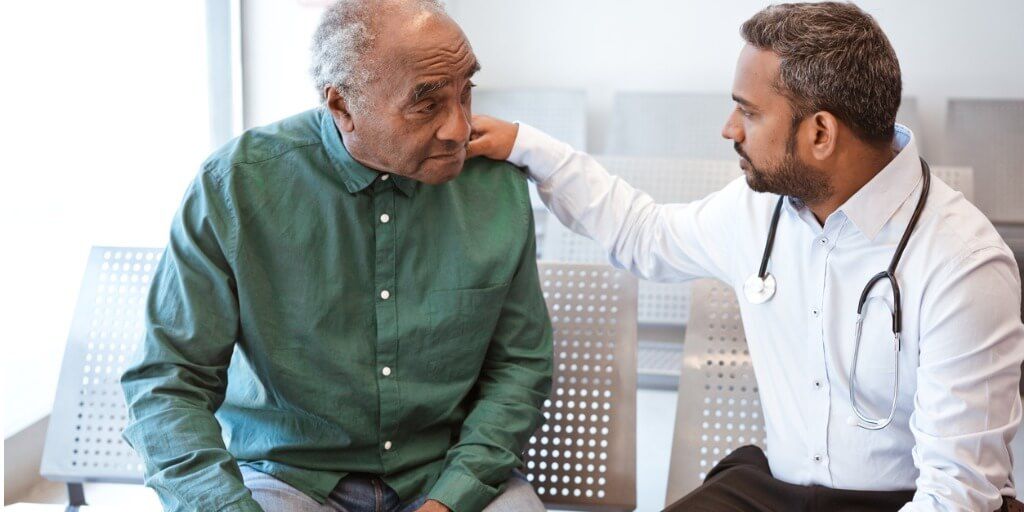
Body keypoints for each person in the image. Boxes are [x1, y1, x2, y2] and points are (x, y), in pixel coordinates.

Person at [468, 3, 1024, 511]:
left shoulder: (964, 264)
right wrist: (526, 145)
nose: (729, 129)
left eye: (748, 113)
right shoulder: (759, 211)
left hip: (908, 499)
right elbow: (643, 232)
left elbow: (957, 493)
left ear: (821, 133)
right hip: (779, 490)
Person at [120, 1, 552, 511]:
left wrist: (454, 496)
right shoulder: (236, 186)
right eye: (426, 103)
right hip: (287, 476)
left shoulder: (496, 186)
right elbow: (169, 379)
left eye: (466, 92)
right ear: (342, 105)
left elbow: (519, 366)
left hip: (447, 471)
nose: (459, 128)